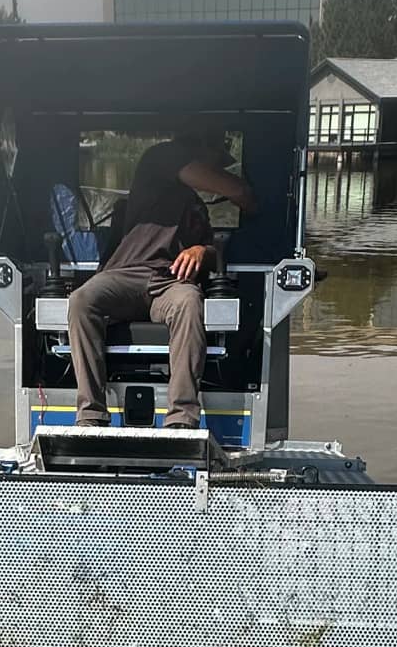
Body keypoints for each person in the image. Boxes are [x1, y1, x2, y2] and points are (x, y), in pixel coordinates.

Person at [67, 125, 257, 429]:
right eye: (215, 157)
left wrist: (201, 250)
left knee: (189, 301)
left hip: (170, 283)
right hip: (126, 272)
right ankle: (91, 416)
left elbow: (211, 253)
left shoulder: (196, 206)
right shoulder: (161, 157)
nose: (215, 167)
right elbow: (237, 191)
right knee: (81, 300)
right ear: (199, 148)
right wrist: (250, 199)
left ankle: (181, 418)